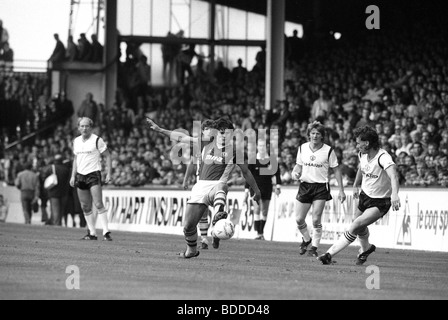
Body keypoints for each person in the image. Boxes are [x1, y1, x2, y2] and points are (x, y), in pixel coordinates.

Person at [146, 117, 261, 258]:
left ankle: (218, 218)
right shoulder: (205, 143)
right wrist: (160, 130)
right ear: (216, 133)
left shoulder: (235, 151)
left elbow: (246, 172)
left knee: (221, 186)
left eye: (228, 133)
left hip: (217, 186)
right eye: (222, 132)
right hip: (200, 187)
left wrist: (256, 190)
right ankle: (192, 250)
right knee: (188, 226)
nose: (225, 136)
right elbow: (182, 137)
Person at [318, 125, 401, 265]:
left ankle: (328, 254)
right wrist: (356, 184)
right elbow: (361, 168)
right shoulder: (363, 154)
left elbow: (394, 176)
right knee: (359, 226)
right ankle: (365, 250)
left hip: (380, 201)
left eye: (358, 143)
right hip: (365, 196)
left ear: (367, 143)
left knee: (356, 224)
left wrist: (394, 195)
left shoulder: (383, 157)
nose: (357, 146)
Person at [292, 121, 346, 257]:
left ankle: (314, 248)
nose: (315, 136)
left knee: (316, 219)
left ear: (322, 136)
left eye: (318, 134)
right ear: (309, 135)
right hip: (305, 186)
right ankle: (306, 239)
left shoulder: (328, 150)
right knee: (299, 219)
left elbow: (336, 170)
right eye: (313, 133)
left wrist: (341, 190)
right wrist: (295, 173)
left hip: (321, 187)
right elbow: (298, 166)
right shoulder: (302, 148)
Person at [70, 117, 112, 241]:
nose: (84, 128)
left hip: (93, 174)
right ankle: (92, 233)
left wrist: (109, 173)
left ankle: (106, 231)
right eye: (82, 126)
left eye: (87, 126)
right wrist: (73, 175)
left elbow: (108, 156)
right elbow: (76, 159)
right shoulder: (76, 141)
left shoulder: (97, 140)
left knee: (98, 203)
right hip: (80, 175)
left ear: (91, 127)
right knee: (85, 206)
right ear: (78, 128)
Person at [182, 119, 215, 249]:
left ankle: (214, 235)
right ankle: (205, 238)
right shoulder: (199, 145)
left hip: (214, 181)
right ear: (202, 131)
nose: (209, 131)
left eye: (211, 129)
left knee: (216, 209)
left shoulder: (218, 145)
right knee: (203, 210)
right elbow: (192, 163)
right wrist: (185, 180)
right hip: (200, 181)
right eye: (206, 129)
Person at [244, 142, 282, 240]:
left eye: (264, 146)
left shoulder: (271, 160)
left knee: (264, 211)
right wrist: (246, 190)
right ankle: (258, 232)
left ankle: (261, 233)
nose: (262, 148)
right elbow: (248, 175)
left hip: (267, 187)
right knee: (257, 209)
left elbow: (277, 174)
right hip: (255, 188)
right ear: (257, 147)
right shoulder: (253, 160)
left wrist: (278, 187)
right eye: (260, 146)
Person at [44, 154, 71, 226]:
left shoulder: (51, 168)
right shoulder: (66, 169)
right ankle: (59, 223)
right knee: (61, 210)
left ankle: (57, 225)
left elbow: (44, 177)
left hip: (53, 192)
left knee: (55, 210)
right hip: (64, 192)